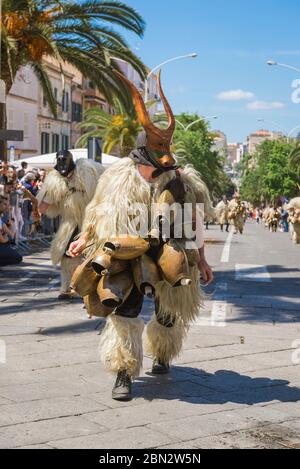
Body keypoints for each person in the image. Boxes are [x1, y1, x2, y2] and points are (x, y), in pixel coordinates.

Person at [68, 70, 214, 401]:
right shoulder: (116, 178)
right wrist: (84, 237)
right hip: (126, 252)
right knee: (125, 309)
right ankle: (123, 372)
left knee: (168, 311)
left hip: (169, 251)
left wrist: (201, 260)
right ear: (142, 152)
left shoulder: (181, 181)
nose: (164, 159)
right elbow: (98, 211)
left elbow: (193, 222)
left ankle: (162, 353)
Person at [37, 150, 104, 299]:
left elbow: (102, 191)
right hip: (71, 223)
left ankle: (89, 287)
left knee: (92, 255)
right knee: (67, 256)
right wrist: (44, 197)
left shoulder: (88, 173)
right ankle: (67, 287)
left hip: (92, 221)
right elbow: (43, 207)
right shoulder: (56, 181)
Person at [0, 195, 22, 266]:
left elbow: (11, 235)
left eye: (8, 204)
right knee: (16, 257)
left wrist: (12, 224)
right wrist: (7, 239)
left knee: (16, 256)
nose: (7, 207)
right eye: (4, 204)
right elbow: (2, 240)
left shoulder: (1, 220)